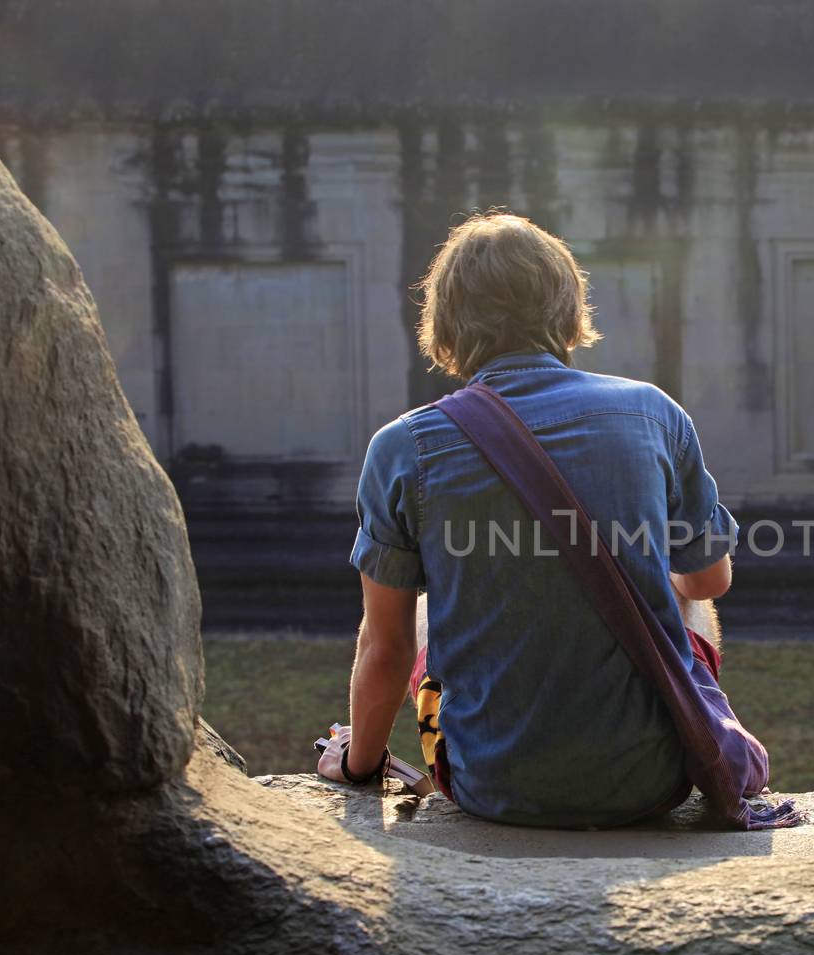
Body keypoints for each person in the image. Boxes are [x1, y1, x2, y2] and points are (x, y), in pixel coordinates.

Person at [315, 211, 744, 829]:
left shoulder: (401, 446)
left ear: (445, 323)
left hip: (491, 787)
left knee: (416, 607)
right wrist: (647, 579)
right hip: (656, 781)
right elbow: (709, 581)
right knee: (684, 591)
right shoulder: (656, 414)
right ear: (569, 311)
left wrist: (358, 767)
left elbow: (385, 652)